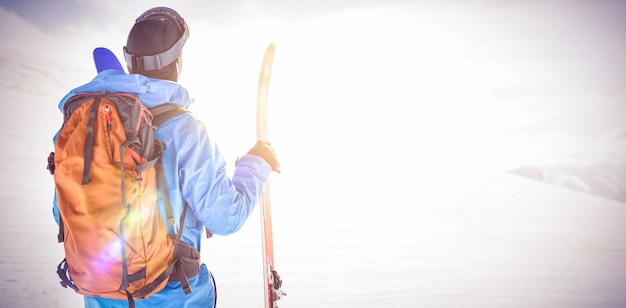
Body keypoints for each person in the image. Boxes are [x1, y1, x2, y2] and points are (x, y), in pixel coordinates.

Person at [52, 6, 280, 307]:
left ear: (130, 63)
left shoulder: (85, 124)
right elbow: (225, 217)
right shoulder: (186, 129)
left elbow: (62, 213)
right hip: (174, 296)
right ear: (177, 62)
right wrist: (257, 163)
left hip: (102, 296)